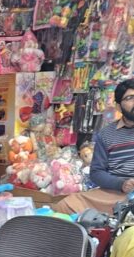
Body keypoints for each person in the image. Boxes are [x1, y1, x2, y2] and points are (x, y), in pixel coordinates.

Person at [57, 79, 134, 215]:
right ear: (118, 106)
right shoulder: (106, 134)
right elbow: (97, 173)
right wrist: (121, 184)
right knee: (64, 206)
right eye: (130, 98)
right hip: (117, 193)